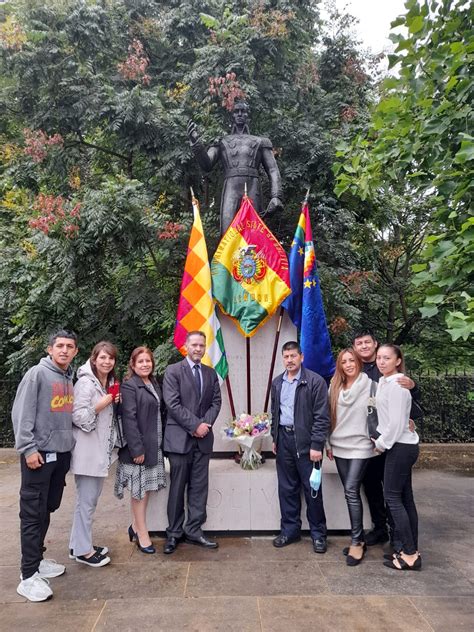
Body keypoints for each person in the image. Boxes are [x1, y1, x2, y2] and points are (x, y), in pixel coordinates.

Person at [12, 329, 78, 602]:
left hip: (59, 457)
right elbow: (21, 413)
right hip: (37, 456)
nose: (64, 350)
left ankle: (37, 559)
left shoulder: (67, 377)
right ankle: (28, 576)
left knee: (46, 509)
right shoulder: (37, 374)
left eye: (70, 346)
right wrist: (28, 449)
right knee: (31, 513)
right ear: (50, 349)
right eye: (60, 345)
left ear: (75, 351)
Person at [352, 329, 420, 548]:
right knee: (370, 485)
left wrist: (414, 388)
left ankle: (399, 538)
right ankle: (380, 529)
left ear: (375, 344)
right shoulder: (354, 368)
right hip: (367, 441)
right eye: (359, 343)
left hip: (390, 443)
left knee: (394, 493)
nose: (363, 346)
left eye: (367, 342)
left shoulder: (394, 376)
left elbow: (408, 401)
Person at [162, 331, 222, 554]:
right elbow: (172, 404)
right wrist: (194, 425)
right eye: (194, 344)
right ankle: (174, 533)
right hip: (179, 441)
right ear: (186, 346)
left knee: (199, 489)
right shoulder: (173, 371)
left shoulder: (210, 373)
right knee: (177, 489)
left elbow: (216, 401)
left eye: (201, 345)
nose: (198, 348)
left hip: (203, 441)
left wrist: (204, 425)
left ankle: (194, 531)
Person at [187, 100, 283, 234]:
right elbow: (207, 165)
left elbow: (273, 169)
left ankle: (254, 256)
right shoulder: (221, 141)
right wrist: (196, 143)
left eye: (243, 111)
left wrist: (276, 196)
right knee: (227, 232)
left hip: (253, 186)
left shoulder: (261, 142)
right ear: (232, 116)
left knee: (254, 232)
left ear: (248, 115)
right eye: (236, 111)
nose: (239, 114)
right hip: (231, 187)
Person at [271, 341, 330, 554]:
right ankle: (290, 530)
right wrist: (275, 437)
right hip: (284, 442)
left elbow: (322, 417)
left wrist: (317, 445)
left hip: (307, 445)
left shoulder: (314, 382)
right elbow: (275, 412)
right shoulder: (277, 383)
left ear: (301, 357)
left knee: (312, 491)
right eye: (286, 357)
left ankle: (318, 535)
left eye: (293, 356)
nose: (289, 360)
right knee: (287, 489)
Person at [69, 341, 120, 568]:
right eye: (103, 358)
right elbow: (78, 417)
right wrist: (101, 405)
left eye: (110, 358)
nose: (107, 362)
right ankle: (84, 551)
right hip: (87, 453)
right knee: (86, 503)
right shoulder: (85, 384)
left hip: (98, 452)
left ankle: (77, 545)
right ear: (94, 358)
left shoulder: (105, 382)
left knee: (86, 502)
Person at [114, 347, 166, 554]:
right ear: (133, 365)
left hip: (154, 445)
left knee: (148, 490)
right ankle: (142, 534)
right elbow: (129, 419)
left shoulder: (153, 383)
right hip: (139, 449)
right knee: (139, 492)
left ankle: (135, 526)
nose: (145, 364)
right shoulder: (129, 386)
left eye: (148, 361)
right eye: (140, 361)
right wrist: (137, 449)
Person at [373, 344, 421, 571]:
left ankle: (410, 554)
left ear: (398, 360)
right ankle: (410, 550)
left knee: (392, 498)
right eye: (379, 358)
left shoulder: (399, 385)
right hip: (399, 445)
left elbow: (396, 424)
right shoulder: (385, 382)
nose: (382, 362)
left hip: (401, 446)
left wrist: (380, 445)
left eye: (387, 358)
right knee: (405, 498)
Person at [326, 349, 375, 566]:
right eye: (344, 361)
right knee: (350, 493)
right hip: (339, 446)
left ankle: (356, 541)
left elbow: (387, 408)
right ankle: (360, 538)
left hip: (361, 446)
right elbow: (327, 416)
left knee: (351, 490)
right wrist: (327, 442)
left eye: (351, 360)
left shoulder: (371, 385)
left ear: (358, 362)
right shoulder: (334, 386)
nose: (348, 364)